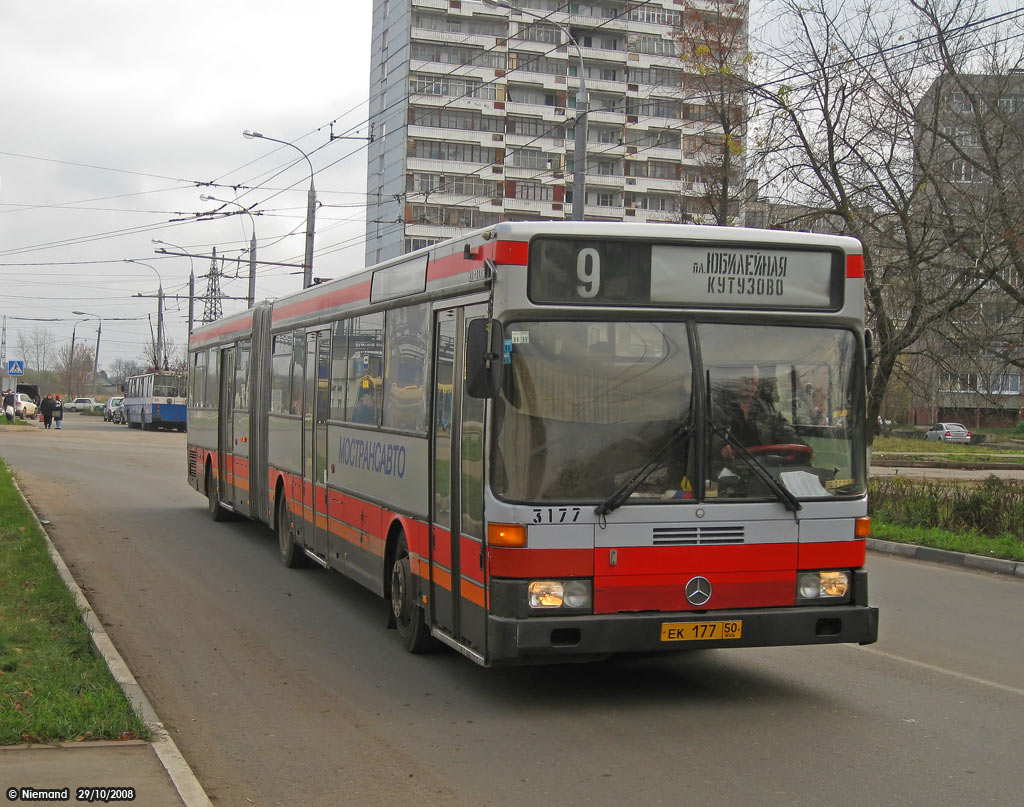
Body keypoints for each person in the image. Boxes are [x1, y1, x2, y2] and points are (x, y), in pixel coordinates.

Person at [713, 366, 800, 460]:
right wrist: (719, 451)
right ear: (732, 380)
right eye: (745, 379)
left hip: (763, 470)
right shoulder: (717, 408)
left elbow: (785, 431)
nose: (750, 384)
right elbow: (708, 441)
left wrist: (800, 446)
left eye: (754, 380)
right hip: (729, 468)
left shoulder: (767, 410)